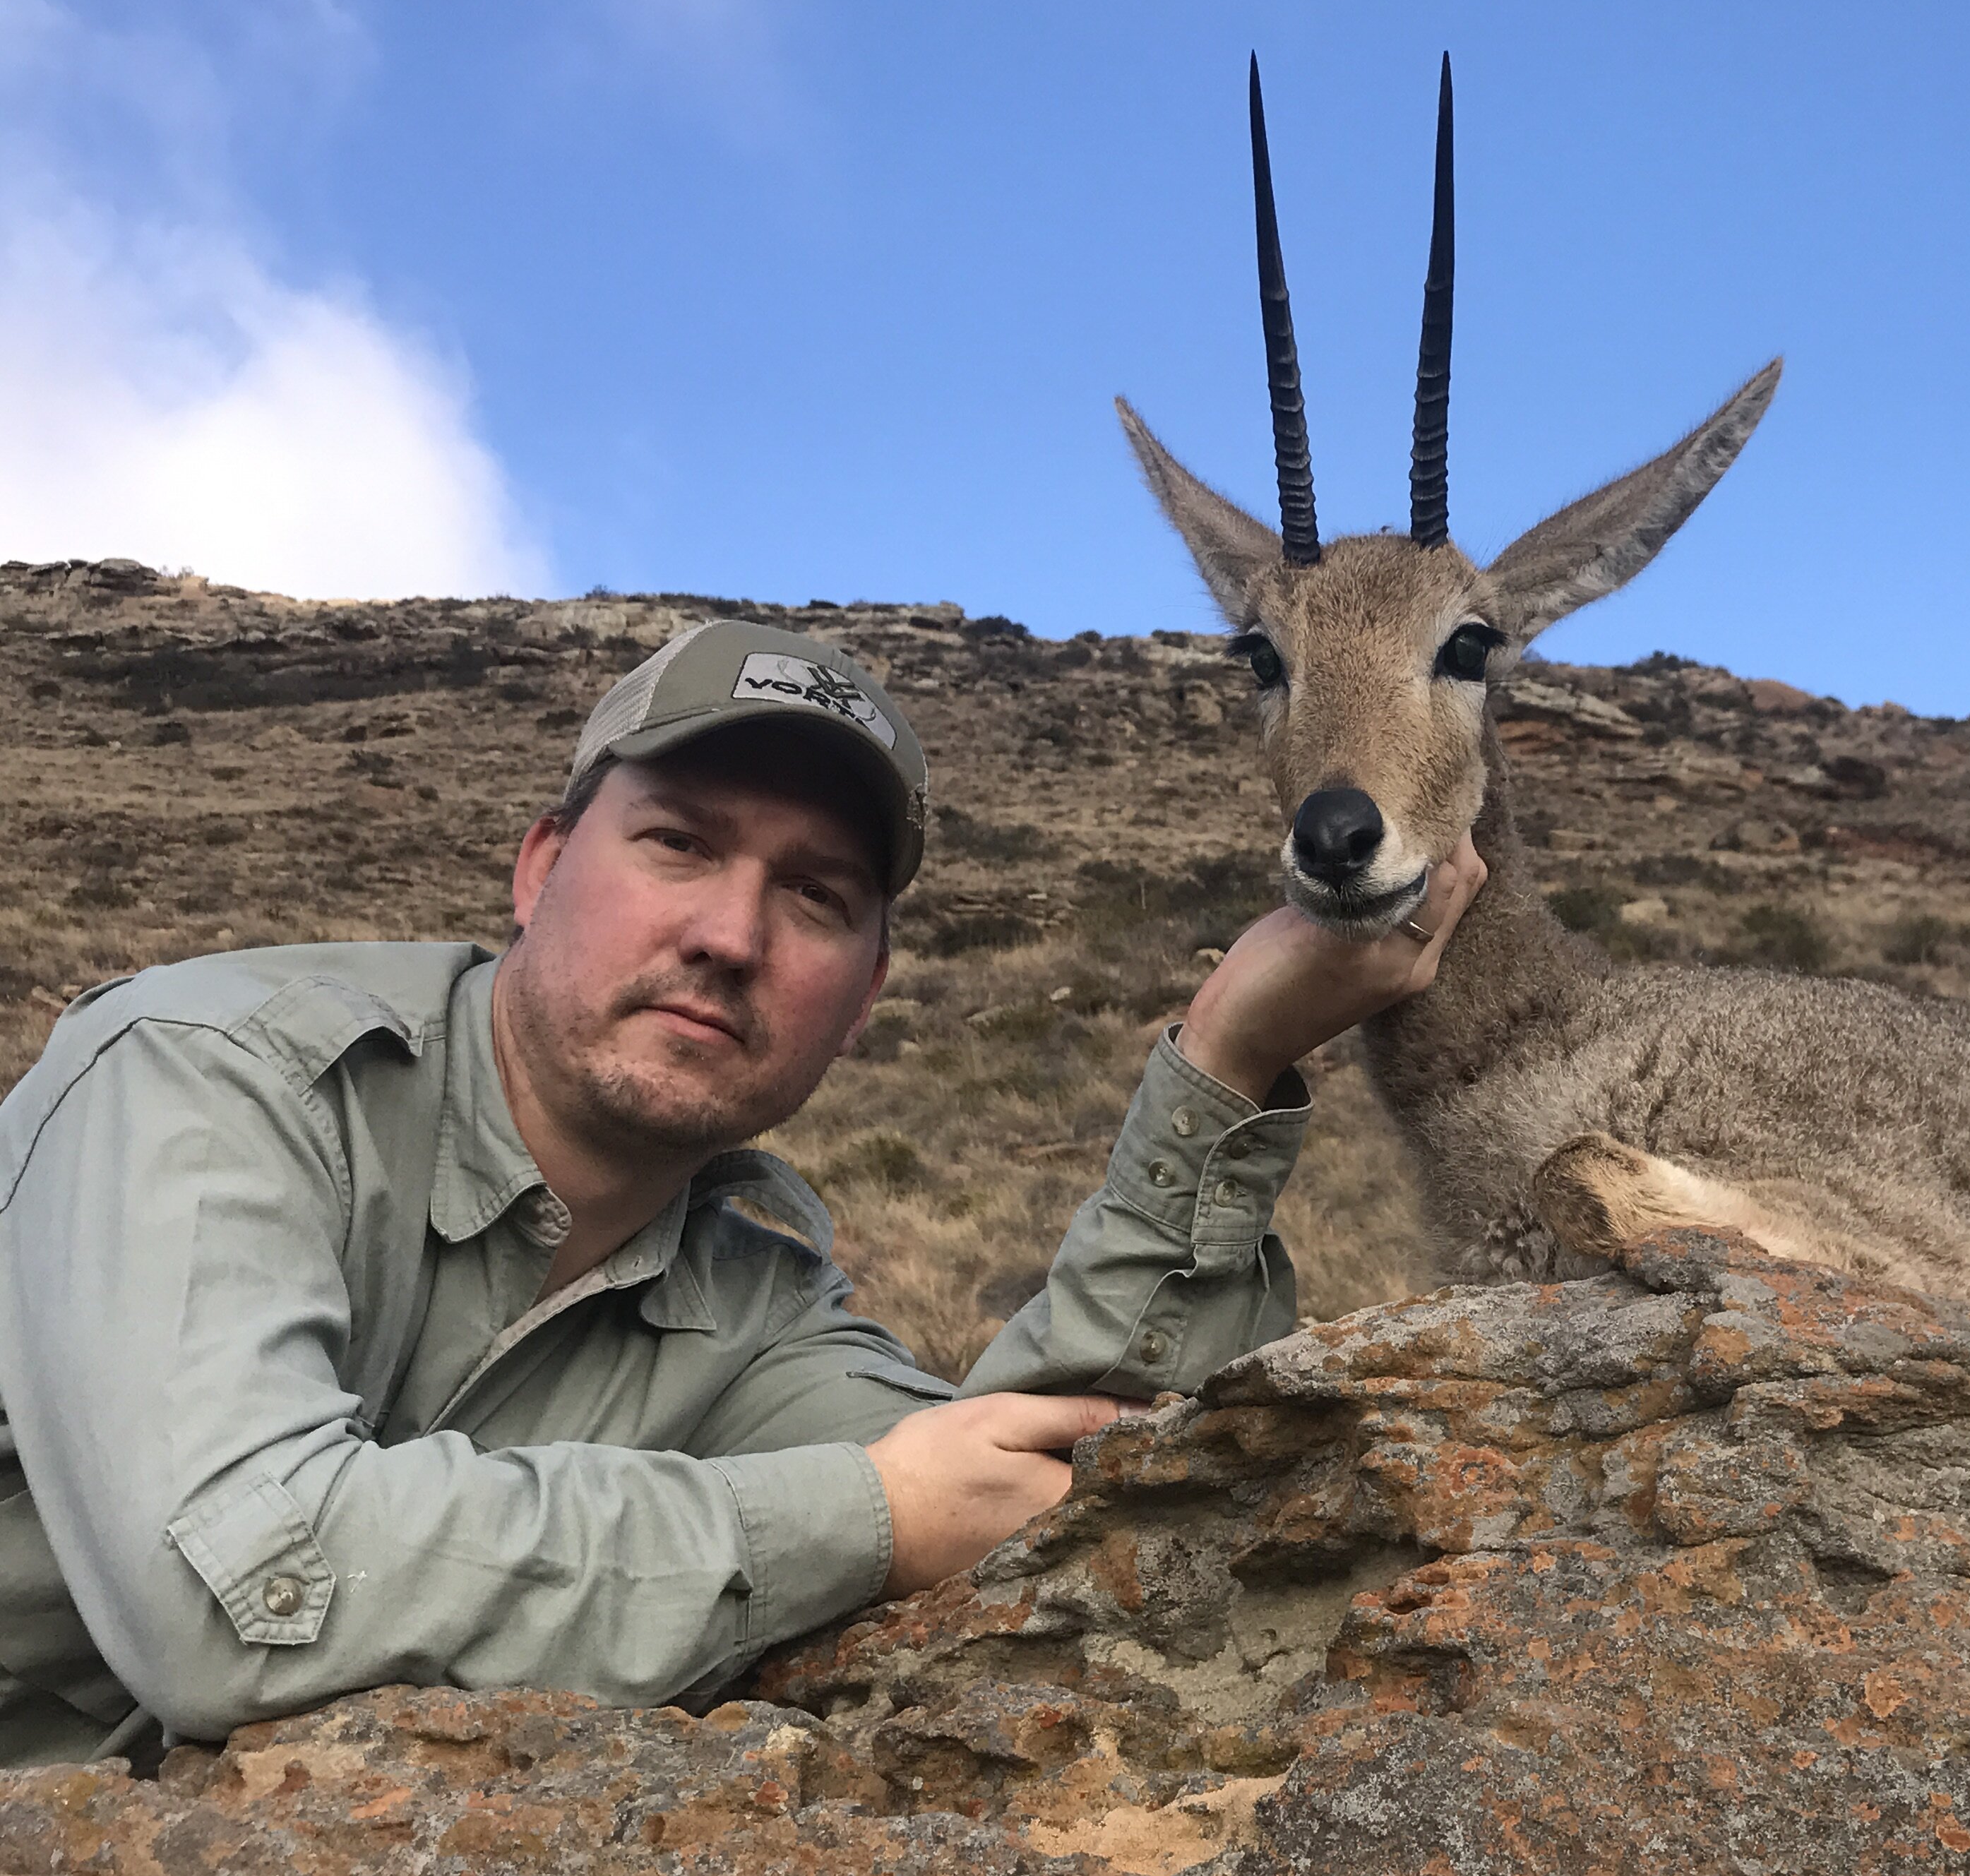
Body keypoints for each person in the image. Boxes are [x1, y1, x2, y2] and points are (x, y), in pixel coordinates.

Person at [0, 619, 1482, 1767]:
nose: (730, 933)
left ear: (868, 993)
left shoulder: (756, 1306)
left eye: (819, 896)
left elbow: (1046, 1489)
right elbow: (231, 1597)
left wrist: (1227, 1060)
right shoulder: (205, 1075)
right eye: (679, 845)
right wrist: (853, 1520)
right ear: (539, 868)